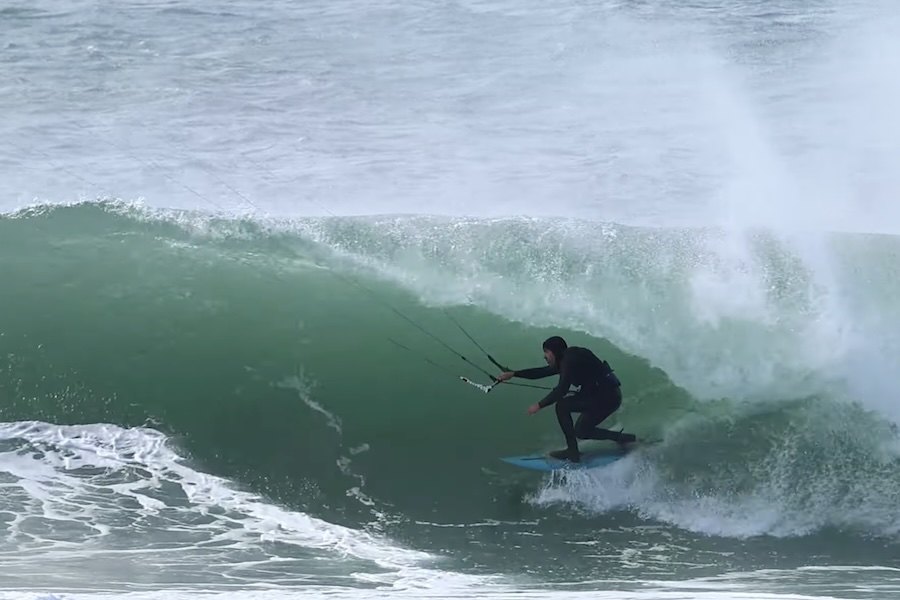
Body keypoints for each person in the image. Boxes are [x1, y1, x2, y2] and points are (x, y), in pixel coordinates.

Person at [497, 336, 636, 462]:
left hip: (607, 397)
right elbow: (541, 372)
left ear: (554, 351)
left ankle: (572, 452)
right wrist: (514, 374)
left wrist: (539, 405)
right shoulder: (567, 359)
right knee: (582, 430)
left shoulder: (570, 360)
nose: (545, 356)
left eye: (546, 352)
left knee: (562, 405)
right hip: (605, 396)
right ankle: (625, 439)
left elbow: (562, 389)